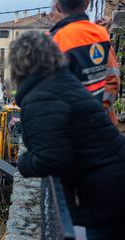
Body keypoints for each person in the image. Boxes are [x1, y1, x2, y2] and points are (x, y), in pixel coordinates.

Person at [9, 32, 125, 239]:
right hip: (112, 183)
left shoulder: (42, 96)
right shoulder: (63, 83)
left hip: (106, 194)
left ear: (20, 64)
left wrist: (23, 162)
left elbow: (52, 158)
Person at [51, 0, 120, 124]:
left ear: (58, 7)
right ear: (87, 4)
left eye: (53, 12)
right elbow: (113, 79)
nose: (52, 17)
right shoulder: (100, 35)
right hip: (100, 125)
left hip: (78, 128)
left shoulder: (54, 42)